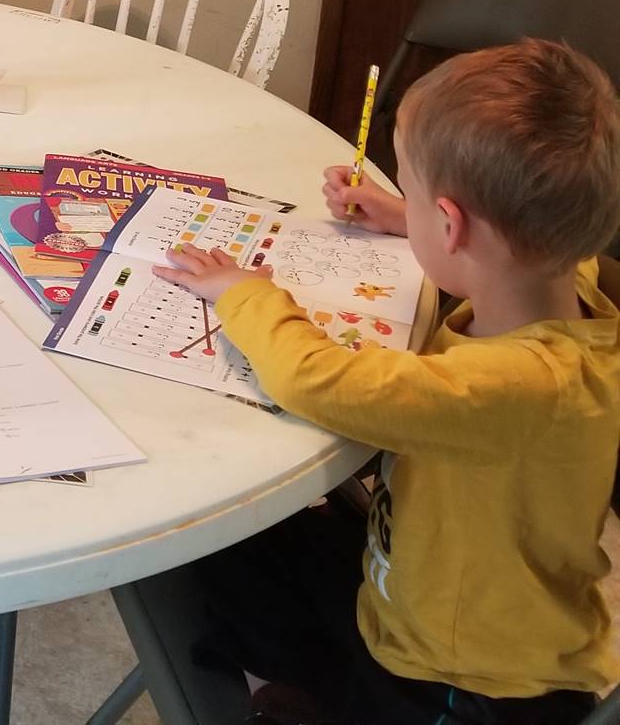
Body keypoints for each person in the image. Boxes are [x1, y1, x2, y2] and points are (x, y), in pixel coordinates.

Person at [151, 39, 620, 724]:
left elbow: (315, 378)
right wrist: (405, 218)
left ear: (453, 225)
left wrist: (243, 293)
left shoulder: (508, 386)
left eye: (412, 189)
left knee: (223, 544)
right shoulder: (563, 282)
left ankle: (295, 696)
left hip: (462, 685)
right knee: (233, 534)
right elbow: (511, 246)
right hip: (416, 585)